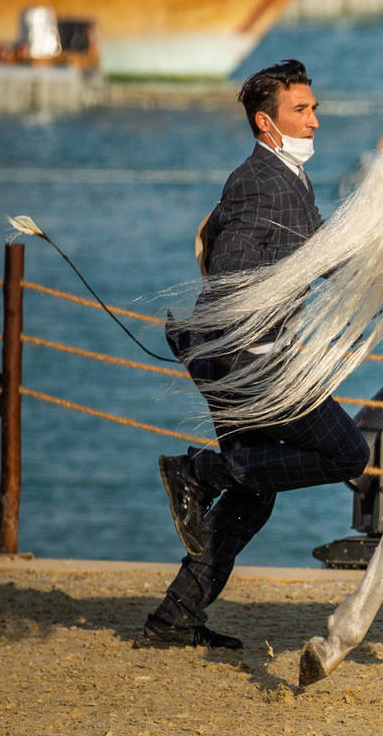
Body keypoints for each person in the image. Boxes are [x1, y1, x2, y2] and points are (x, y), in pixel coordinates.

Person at [138, 59, 369, 650]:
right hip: (249, 366)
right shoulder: (258, 182)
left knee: (253, 499)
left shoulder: (289, 178)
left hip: (248, 361)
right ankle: (201, 469)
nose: (315, 121)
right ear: (267, 123)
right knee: (347, 452)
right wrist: (254, 367)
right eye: (302, 110)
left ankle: (175, 619)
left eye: (314, 108)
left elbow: (324, 253)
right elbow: (228, 279)